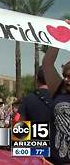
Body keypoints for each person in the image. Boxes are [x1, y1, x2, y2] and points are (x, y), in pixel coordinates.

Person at [42, 19, 70, 165]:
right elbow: (47, 63)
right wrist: (59, 36)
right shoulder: (59, 91)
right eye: (64, 75)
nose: (66, 79)